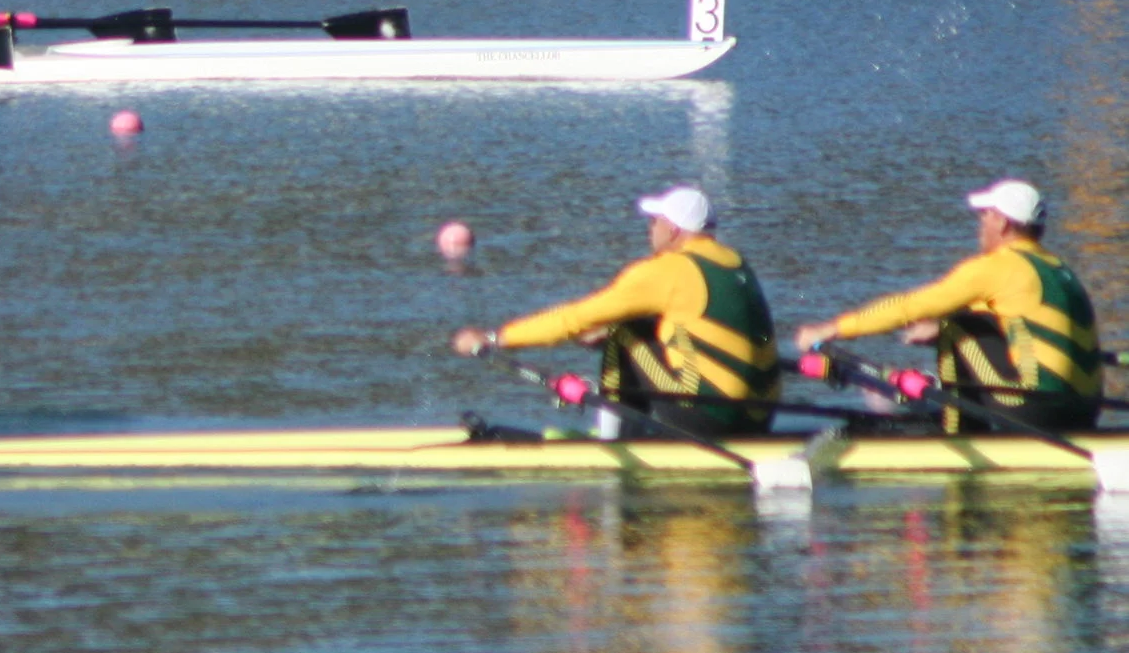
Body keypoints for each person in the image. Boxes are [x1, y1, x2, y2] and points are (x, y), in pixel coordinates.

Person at [451, 186, 780, 438]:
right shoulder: (735, 262)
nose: (649, 229)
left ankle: (613, 442)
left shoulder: (669, 270)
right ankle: (642, 427)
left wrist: (495, 338)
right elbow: (698, 327)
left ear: (674, 230)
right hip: (760, 416)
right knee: (632, 327)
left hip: (711, 418)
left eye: (654, 222)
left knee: (623, 332)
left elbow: (577, 318)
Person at [793, 180, 1100, 434]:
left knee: (956, 328)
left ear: (1003, 223)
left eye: (985, 215)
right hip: (1086, 411)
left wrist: (832, 329)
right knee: (958, 322)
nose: (980, 223)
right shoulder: (1058, 269)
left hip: (1037, 414)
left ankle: (958, 434)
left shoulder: (997, 267)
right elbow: (995, 314)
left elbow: (911, 307)